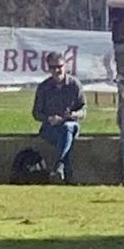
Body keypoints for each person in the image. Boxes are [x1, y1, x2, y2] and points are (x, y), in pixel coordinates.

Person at [32, 52, 87, 183]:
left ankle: (59, 165)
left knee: (67, 128)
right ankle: (65, 173)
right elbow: (36, 113)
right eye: (52, 67)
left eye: (59, 66)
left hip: (71, 125)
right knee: (64, 135)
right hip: (50, 128)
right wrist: (49, 118)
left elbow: (84, 110)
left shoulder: (74, 85)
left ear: (65, 66)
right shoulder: (43, 87)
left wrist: (75, 114)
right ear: (48, 68)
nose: (56, 70)